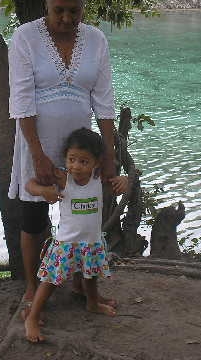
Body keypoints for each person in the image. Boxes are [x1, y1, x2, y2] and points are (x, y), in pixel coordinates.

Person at [8, 0, 118, 320]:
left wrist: (109, 153)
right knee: (34, 215)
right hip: (35, 140)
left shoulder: (97, 40)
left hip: (81, 150)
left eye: (74, 10)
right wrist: (37, 154)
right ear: (46, 4)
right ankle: (32, 286)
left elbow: (103, 100)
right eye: (59, 10)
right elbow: (22, 100)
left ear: (83, 6)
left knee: (81, 214)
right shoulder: (25, 38)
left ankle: (77, 283)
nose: (67, 18)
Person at [23, 128, 127, 343]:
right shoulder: (63, 178)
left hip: (91, 241)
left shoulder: (99, 179)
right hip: (66, 243)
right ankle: (32, 317)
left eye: (83, 161)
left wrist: (125, 181)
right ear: (65, 158)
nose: (76, 166)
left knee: (90, 274)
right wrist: (43, 191)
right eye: (72, 159)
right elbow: (30, 184)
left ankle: (92, 302)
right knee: (51, 280)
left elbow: (121, 183)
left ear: (96, 162)